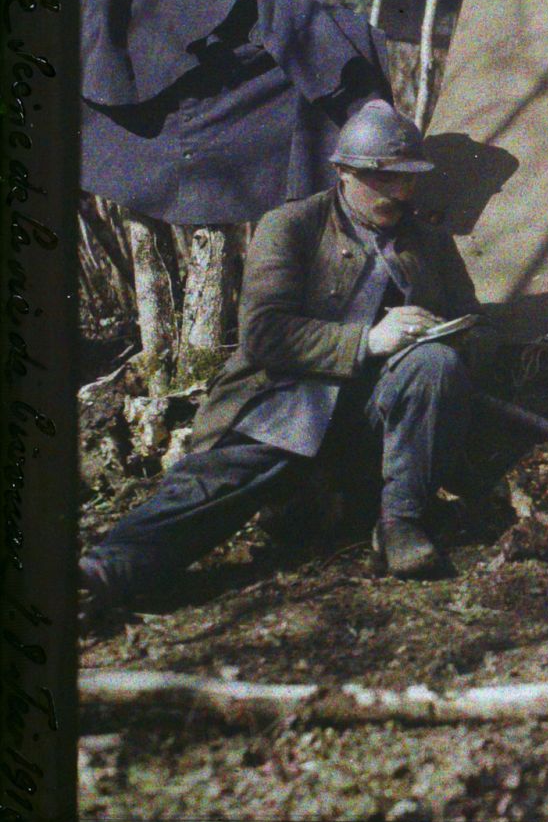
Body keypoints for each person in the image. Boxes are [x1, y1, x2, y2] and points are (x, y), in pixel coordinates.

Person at [81, 101, 491, 616]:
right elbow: (264, 333)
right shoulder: (293, 226)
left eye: (407, 178)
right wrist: (367, 341)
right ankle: (108, 569)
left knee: (436, 365)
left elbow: (475, 320)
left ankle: (401, 524)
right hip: (291, 402)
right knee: (218, 481)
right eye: (379, 178)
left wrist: (450, 337)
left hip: (383, 414)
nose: (397, 192)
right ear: (342, 172)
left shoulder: (429, 242)